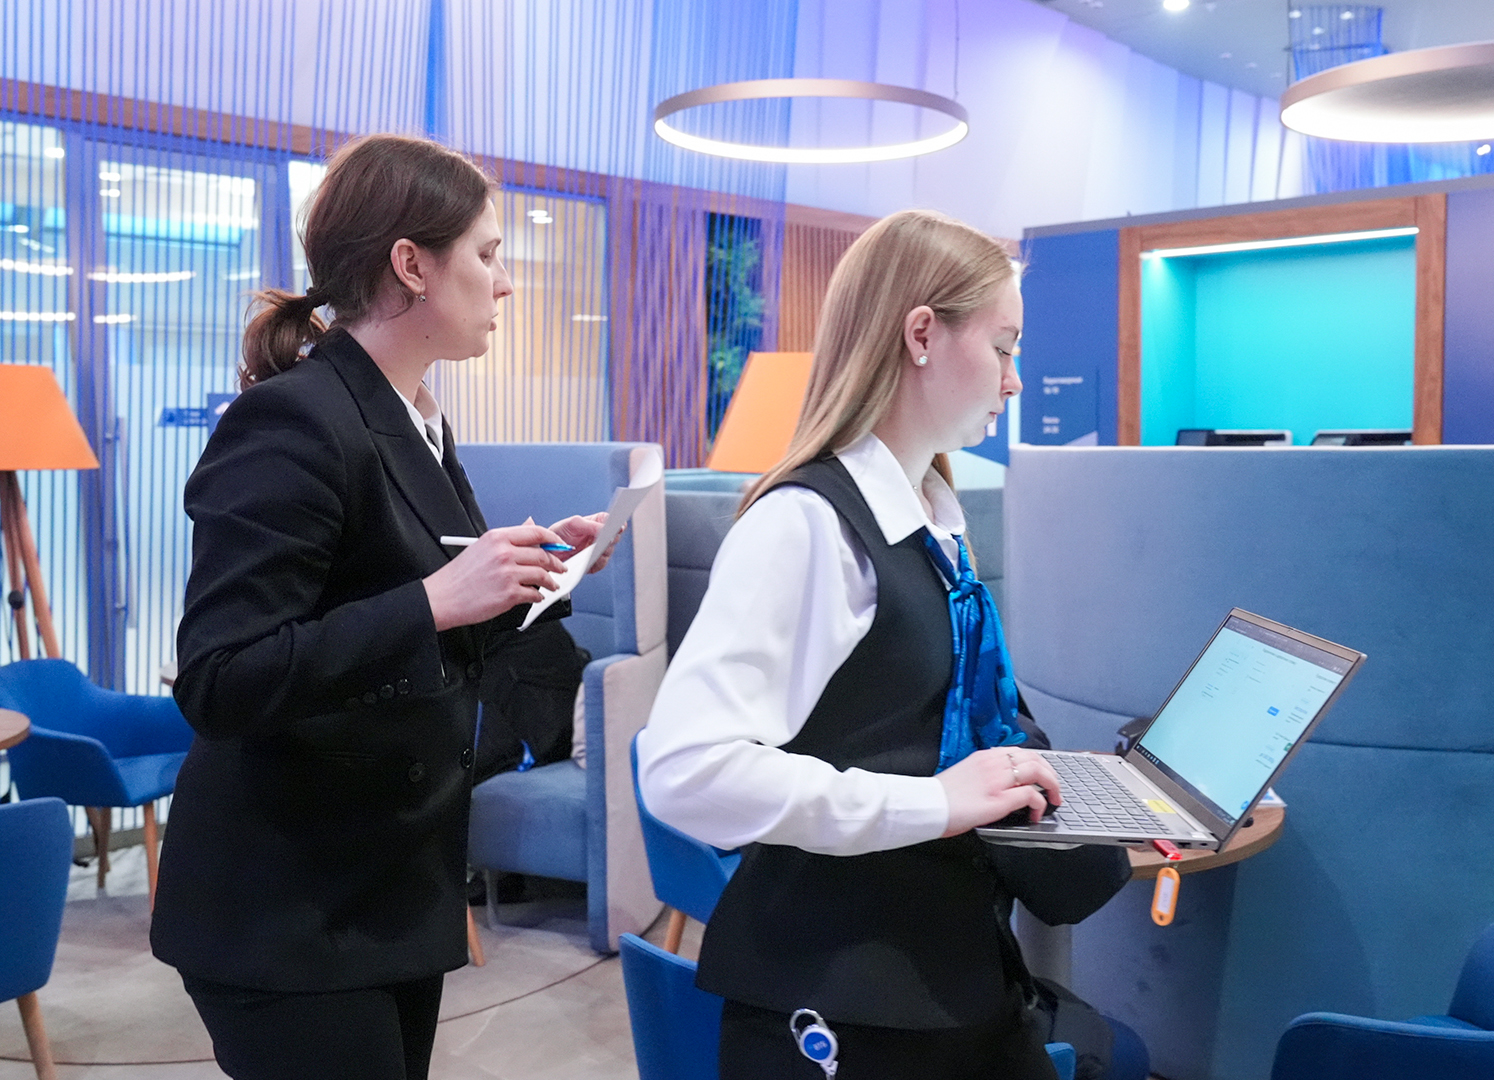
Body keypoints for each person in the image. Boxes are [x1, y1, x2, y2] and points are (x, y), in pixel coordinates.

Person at [151, 133, 613, 1080]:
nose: (506, 284)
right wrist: (434, 600)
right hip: (288, 910)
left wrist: (537, 573)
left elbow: (426, 619)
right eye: (487, 254)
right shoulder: (293, 420)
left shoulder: (415, 418)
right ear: (412, 265)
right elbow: (220, 678)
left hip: (388, 886)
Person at [636, 209, 1131, 1079]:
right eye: (1003, 347)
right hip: (842, 1000)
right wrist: (932, 804)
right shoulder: (805, 525)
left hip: (950, 972)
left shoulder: (933, 518)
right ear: (921, 335)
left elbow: (932, 716)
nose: (1015, 380)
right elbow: (686, 770)